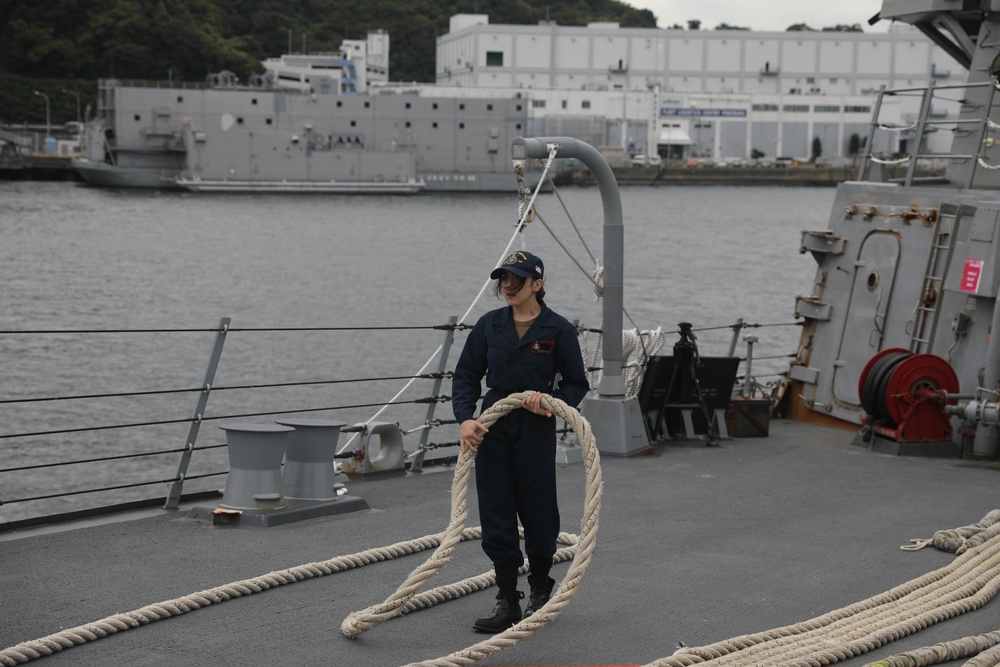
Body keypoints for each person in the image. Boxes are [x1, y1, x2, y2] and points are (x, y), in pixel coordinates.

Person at [452, 250, 589, 633]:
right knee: (496, 511)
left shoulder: (558, 329)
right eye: (504, 281)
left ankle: (541, 588)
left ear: (538, 284)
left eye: (517, 280)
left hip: (536, 425)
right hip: (493, 424)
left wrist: (551, 402)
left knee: (538, 508)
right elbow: (465, 377)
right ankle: (507, 598)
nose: (508, 287)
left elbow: (576, 382)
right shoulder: (488, 326)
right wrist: (466, 419)